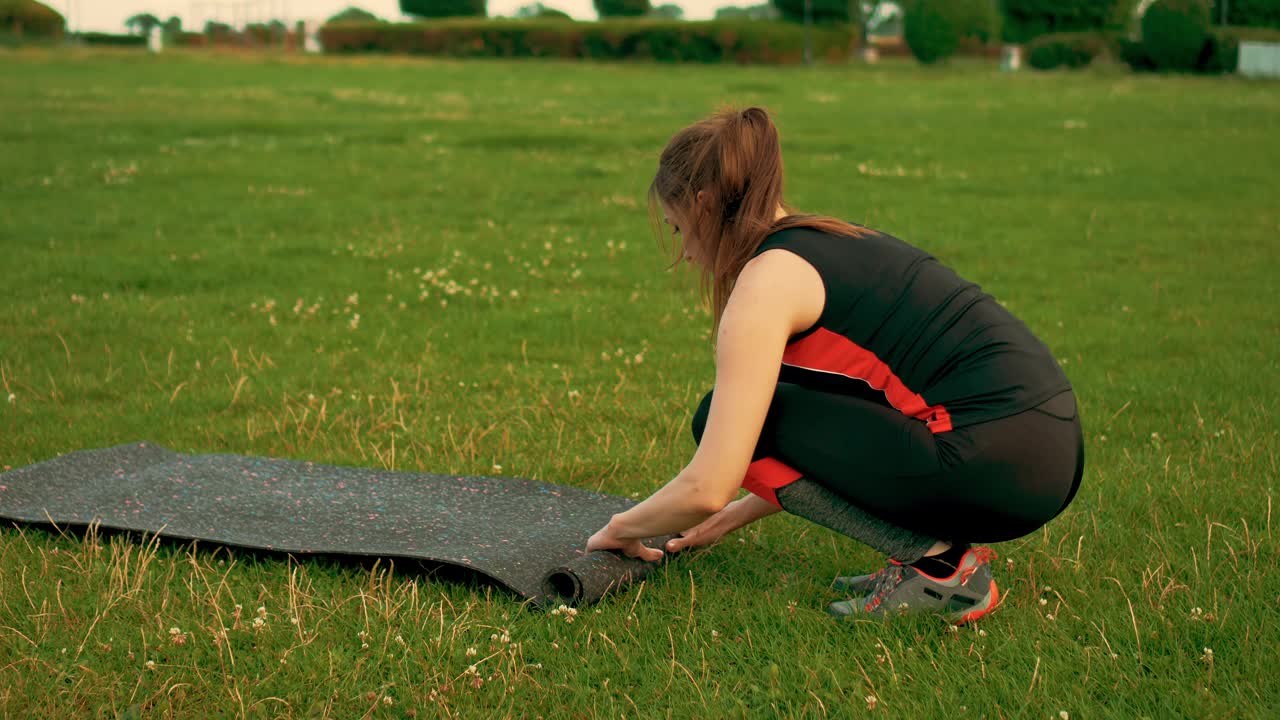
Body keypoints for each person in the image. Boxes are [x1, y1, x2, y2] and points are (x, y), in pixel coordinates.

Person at [586, 106, 1084, 624]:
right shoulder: (830, 240)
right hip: (1046, 453)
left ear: (704, 204)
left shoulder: (765, 285)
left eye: (676, 227)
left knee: (714, 417)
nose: (684, 251)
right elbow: (818, 441)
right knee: (764, 417)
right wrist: (727, 520)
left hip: (995, 461)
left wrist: (621, 528)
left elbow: (708, 485)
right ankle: (933, 560)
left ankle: (944, 570)